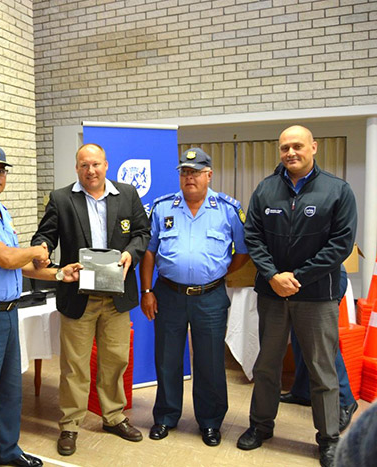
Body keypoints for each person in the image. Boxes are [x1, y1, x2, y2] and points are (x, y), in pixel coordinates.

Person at [0, 144, 83, 467]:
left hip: (8, 313)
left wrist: (59, 274)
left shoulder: (1, 212)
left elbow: (18, 265)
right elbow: (7, 258)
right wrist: (36, 250)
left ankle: (7, 451)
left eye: (0, 171)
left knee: (10, 390)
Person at [237, 125, 357, 467]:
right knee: (267, 365)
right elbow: (253, 236)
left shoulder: (337, 190)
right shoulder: (266, 189)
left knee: (322, 370)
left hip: (317, 295)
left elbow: (341, 244)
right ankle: (260, 426)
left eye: (297, 146)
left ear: (313, 147)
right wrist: (273, 275)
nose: (290, 152)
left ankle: (329, 439)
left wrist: (298, 278)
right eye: (285, 147)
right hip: (272, 294)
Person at [30, 143, 150, 456]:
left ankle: (113, 416)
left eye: (95, 164)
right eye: (84, 165)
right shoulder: (61, 199)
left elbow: (142, 233)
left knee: (115, 359)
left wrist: (131, 253)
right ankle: (70, 424)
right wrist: (42, 249)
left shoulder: (127, 194)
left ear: (106, 165)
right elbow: (45, 235)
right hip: (77, 295)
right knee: (74, 366)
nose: (90, 171)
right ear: (77, 168)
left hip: (116, 296)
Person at [139, 147, 249, 447]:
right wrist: (146, 291)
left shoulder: (227, 209)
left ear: (209, 175)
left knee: (210, 361)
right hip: (168, 294)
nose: (190, 177)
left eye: (196, 172)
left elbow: (242, 252)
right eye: (185, 172)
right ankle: (165, 416)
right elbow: (148, 253)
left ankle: (211, 422)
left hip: (210, 297)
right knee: (167, 359)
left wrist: (219, 274)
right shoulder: (162, 207)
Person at [281, 265, 359, 433]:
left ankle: (345, 401)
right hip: (299, 281)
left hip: (323, 277)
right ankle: (303, 391)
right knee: (300, 334)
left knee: (321, 342)